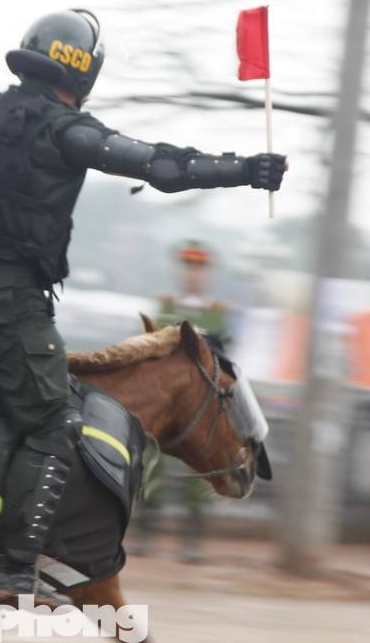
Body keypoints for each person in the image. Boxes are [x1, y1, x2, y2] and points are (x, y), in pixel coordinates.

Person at [0, 9, 286, 600]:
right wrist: (244, 170)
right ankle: (6, 566)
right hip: (3, 302)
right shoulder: (65, 130)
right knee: (54, 425)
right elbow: (160, 166)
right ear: (85, 74)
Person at [138, 241, 234, 563]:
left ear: (206, 274)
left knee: (200, 463)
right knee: (150, 464)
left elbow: (226, 361)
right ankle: (144, 532)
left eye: (198, 269)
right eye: (188, 267)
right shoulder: (164, 308)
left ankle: (192, 540)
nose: (192, 274)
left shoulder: (217, 314)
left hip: (202, 406)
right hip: (165, 403)